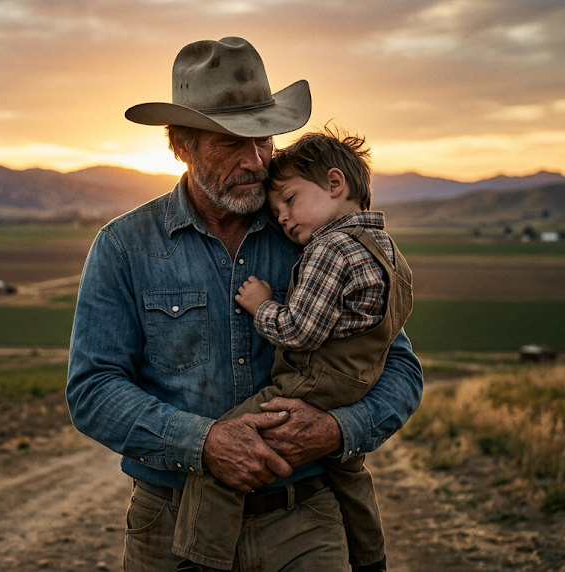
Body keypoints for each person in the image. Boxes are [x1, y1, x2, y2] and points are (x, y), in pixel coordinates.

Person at [66, 36, 423, 572]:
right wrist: (203, 442)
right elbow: (93, 390)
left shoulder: (315, 236)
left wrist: (338, 430)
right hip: (172, 524)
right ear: (181, 144)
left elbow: (396, 365)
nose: (255, 161)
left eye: (264, 139)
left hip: (304, 518)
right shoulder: (124, 247)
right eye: (229, 143)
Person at [172, 127, 413, 571]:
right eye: (276, 209)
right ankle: (370, 559)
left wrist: (262, 304)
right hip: (357, 383)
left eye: (289, 201)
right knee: (350, 473)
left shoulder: (329, 250)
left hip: (312, 382)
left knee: (223, 446)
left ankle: (200, 561)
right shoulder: (387, 250)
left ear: (335, 184)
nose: (282, 218)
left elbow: (299, 331)